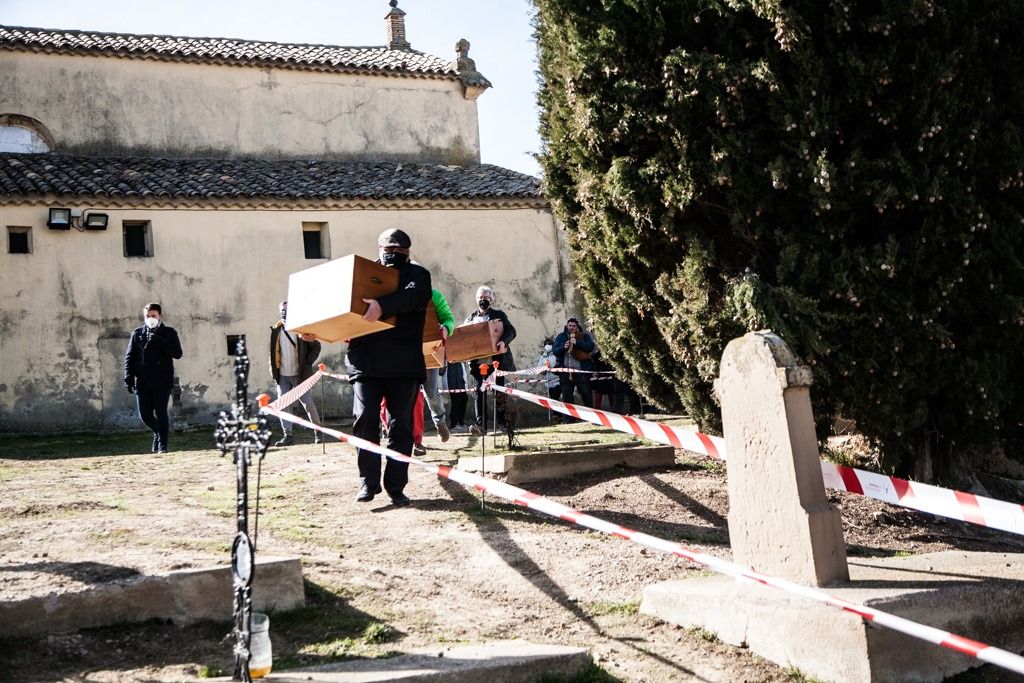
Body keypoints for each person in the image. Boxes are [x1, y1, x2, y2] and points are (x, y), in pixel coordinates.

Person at [346, 228, 431, 506]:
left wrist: (382, 306)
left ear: (407, 252)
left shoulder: (418, 276)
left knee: (400, 427)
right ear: (379, 250)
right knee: (365, 419)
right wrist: (314, 329)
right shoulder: (362, 277)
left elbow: (413, 298)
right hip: (365, 364)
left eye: (397, 250)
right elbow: (336, 307)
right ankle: (367, 483)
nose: (391, 255)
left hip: (403, 365)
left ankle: (396, 485)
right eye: (387, 250)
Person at [123, 303, 183, 453]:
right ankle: (158, 433)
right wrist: (128, 376)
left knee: (161, 412)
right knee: (145, 415)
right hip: (143, 380)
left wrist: (159, 340)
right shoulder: (137, 333)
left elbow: (177, 353)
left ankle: (163, 445)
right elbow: (130, 357)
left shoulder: (169, 332)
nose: (150, 319)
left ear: (160, 316)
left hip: (162, 380)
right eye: (147, 316)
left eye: (153, 316)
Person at [269, 300, 322, 447]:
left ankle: (318, 432)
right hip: (283, 375)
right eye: (283, 310)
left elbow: (316, 346)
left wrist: (307, 363)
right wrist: (273, 371)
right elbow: (272, 353)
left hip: (300, 375)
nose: (285, 312)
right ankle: (288, 436)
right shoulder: (276, 330)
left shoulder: (302, 330)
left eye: (288, 309)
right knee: (283, 405)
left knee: (308, 404)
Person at [465, 286, 516, 435]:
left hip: (496, 363)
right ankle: (481, 427)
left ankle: (503, 424)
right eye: (480, 297)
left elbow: (511, 331)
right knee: (478, 393)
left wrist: (503, 342)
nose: (483, 300)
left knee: (499, 393)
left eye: (486, 298)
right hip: (478, 364)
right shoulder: (470, 319)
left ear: (491, 300)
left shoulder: (499, 315)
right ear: (476, 299)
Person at [552, 317, 595, 408]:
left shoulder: (584, 336)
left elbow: (590, 347)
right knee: (567, 398)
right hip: (565, 372)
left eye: (573, 326)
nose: (571, 327)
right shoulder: (561, 337)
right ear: (567, 326)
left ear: (577, 327)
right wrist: (564, 347)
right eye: (570, 325)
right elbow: (555, 350)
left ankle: (591, 417)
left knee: (586, 395)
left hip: (581, 371)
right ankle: (568, 419)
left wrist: (577, 343)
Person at [537, 337, 561, 423]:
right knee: (553, 399)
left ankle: (557, 415)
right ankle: (558, 416)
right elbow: (539, 367)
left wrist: (553, 369)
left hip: (557, 380)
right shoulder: (543, 356)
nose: (548, 345)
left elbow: (559, 364)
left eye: (550, 344)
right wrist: (544, 369)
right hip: (549, 381)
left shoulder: (556, 354)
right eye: (546, 344)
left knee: (555, 397)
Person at [446, 361, 469, 432]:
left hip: (460, 380)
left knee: (464, 399)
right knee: (456, 402)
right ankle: (454, 425)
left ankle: (460, 422)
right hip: (454, 380)